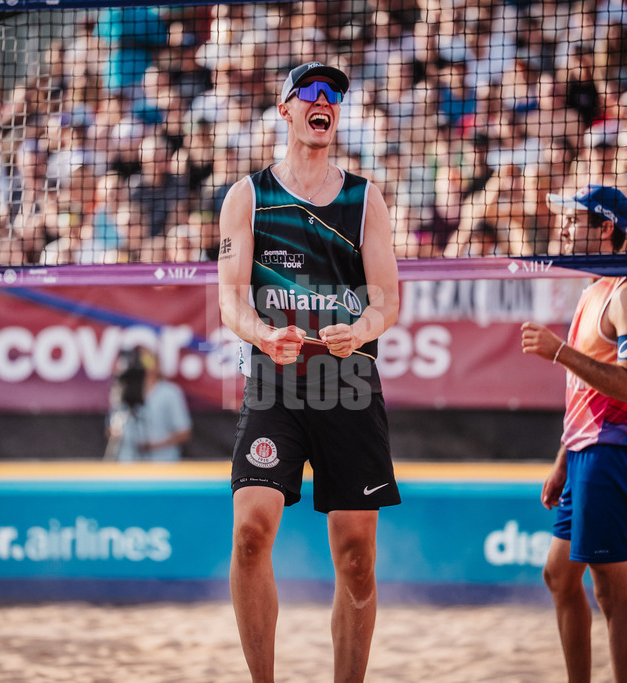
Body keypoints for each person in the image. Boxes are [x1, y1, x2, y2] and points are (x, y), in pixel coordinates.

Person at [217, 62, 401, 683]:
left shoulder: (365, 198)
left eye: (335, 95)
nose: (324, 101)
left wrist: (363, 329)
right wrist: (265, 334)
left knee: (356, 562)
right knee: (249, 534)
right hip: (275, 380)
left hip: (348, 387)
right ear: (286, 109)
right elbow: (229, 300)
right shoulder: (248, 196)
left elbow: (387, 301)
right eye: (311, 93)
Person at [520, 185, 627, 683]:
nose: (562, 226)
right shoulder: (592, 289)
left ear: (606, 229)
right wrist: (562, 459)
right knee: (560, 576)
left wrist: (558, 351)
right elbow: (585, 391)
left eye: (573, 218)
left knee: (613, 592)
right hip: (586, 450)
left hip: (616, 449)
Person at [103, 346, 191, 463]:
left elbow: (184, 433)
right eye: (138, 360)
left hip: (162, 464)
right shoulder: (122, 391)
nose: (142, 364)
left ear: (157, 364)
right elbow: (110, 429)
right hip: (127, 465)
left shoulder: (170, 393)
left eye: (147, 360)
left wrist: (152, 445)